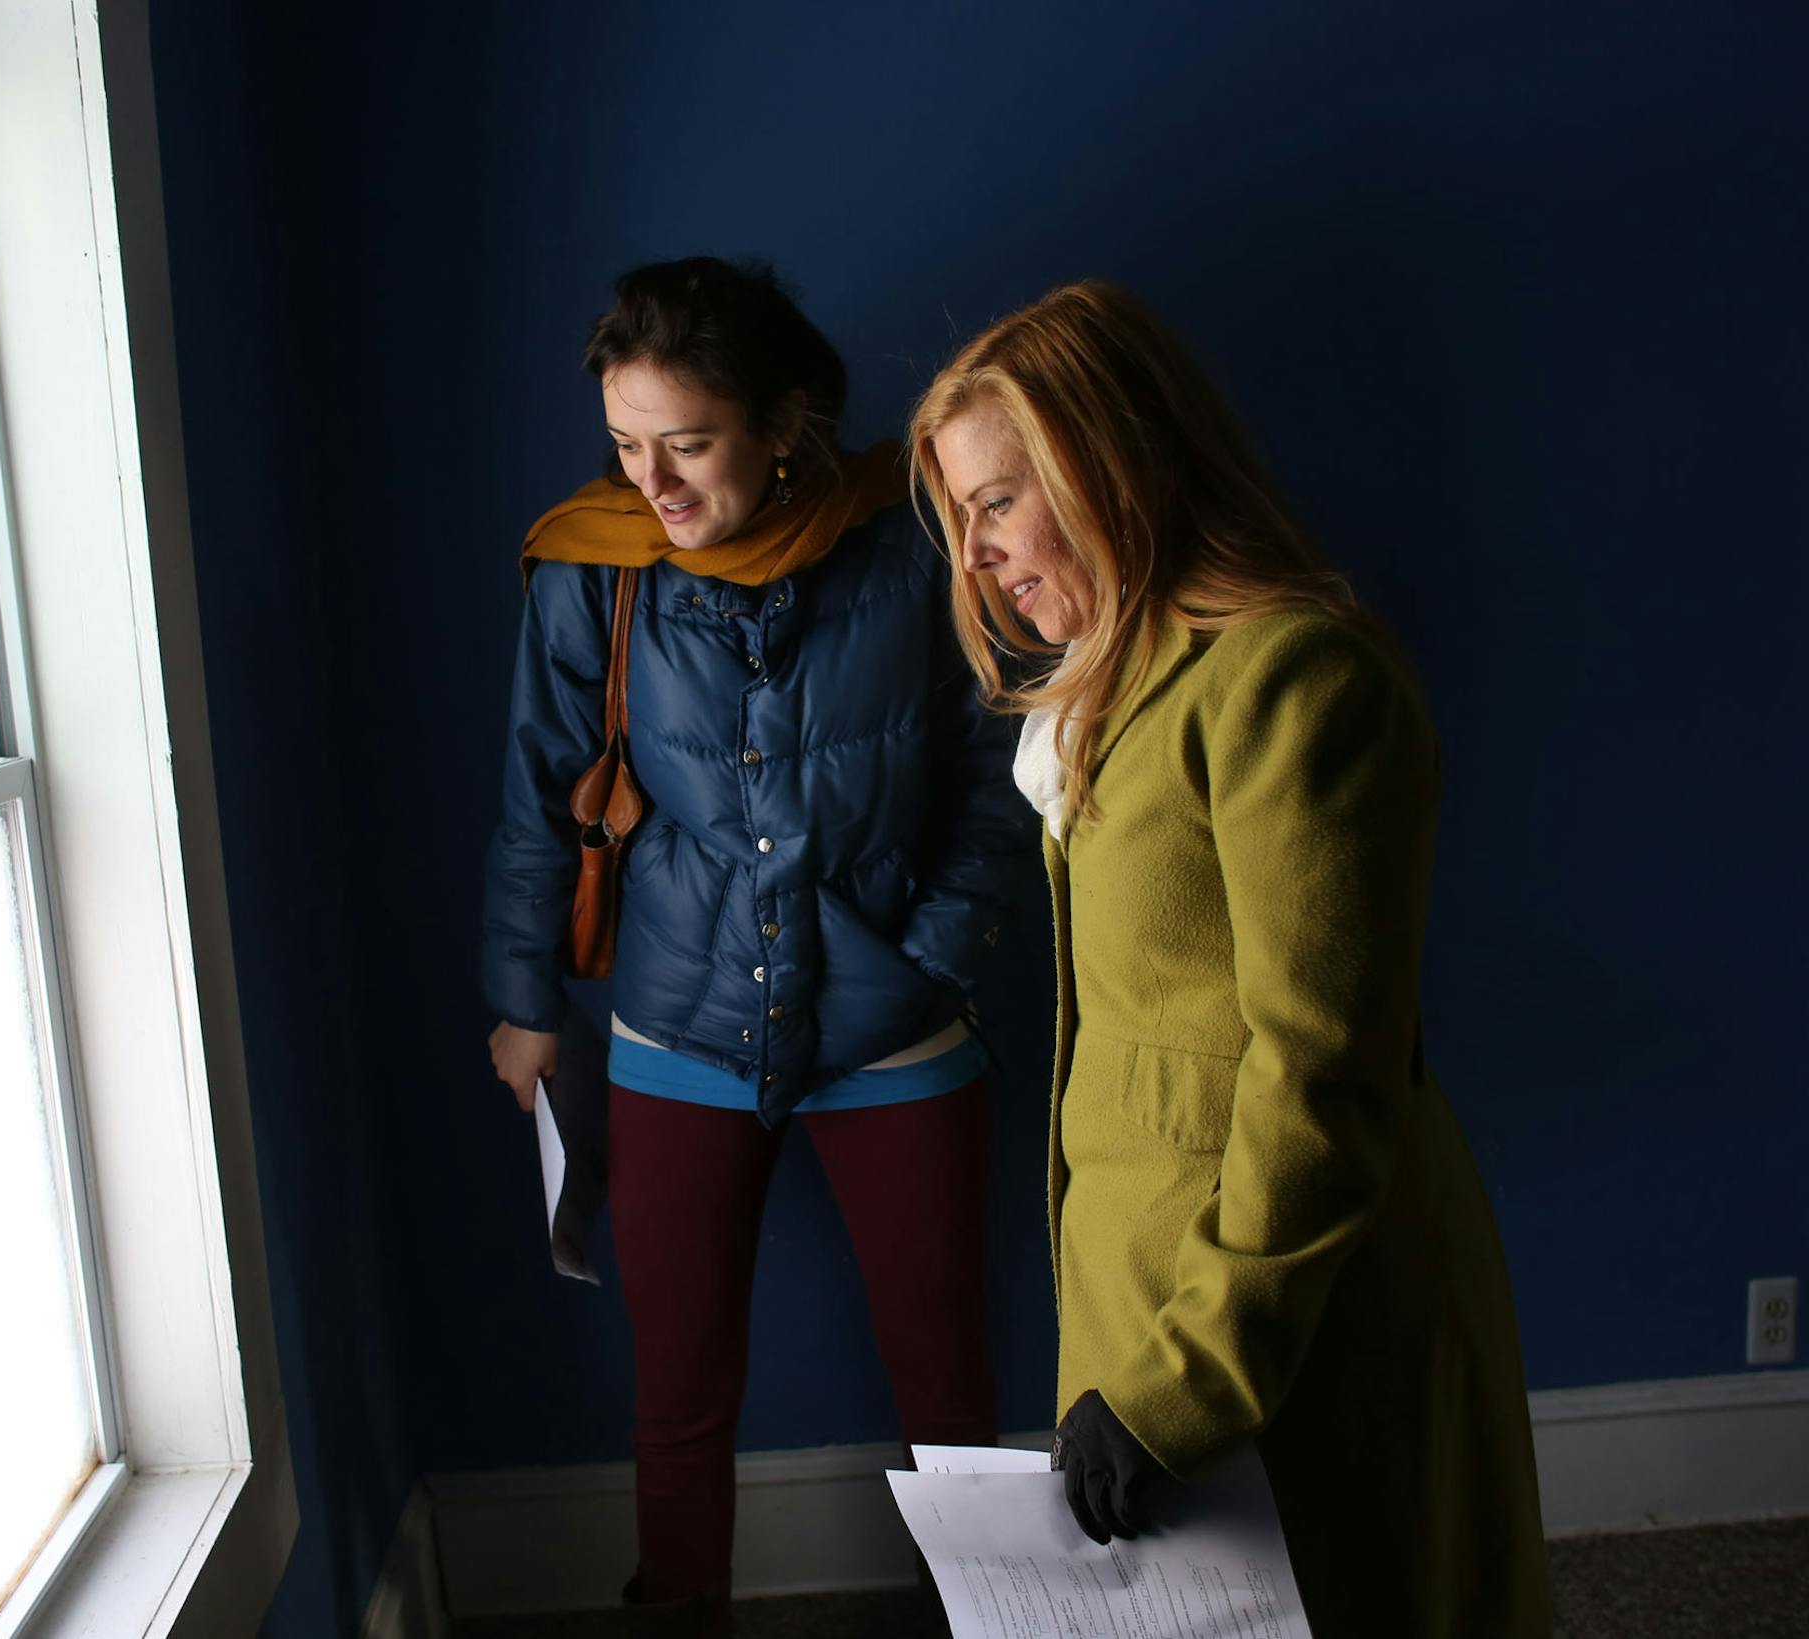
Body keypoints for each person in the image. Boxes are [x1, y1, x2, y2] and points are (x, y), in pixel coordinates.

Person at [908, 280, 1552, 1638]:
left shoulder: (1293, 681)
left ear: (1111, 460)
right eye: (960, 518)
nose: (974, 558)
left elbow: (1323, 1082)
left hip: (1284, 1319)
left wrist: (1185, 1381)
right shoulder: (1107, 695)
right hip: (1154, 1302)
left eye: (998, 502)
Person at [482, 256, 1024, 1632]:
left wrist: (934, 958)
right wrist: (522, 997)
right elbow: (542, 792)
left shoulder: (915, 544)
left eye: (689, 443)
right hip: (676, 1027)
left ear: (785, 424)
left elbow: (992, 773)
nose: (651, 483)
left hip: (894, 1026)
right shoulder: (591, 570)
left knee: (951, 1391)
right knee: (675, 1397)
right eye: (623, 445)